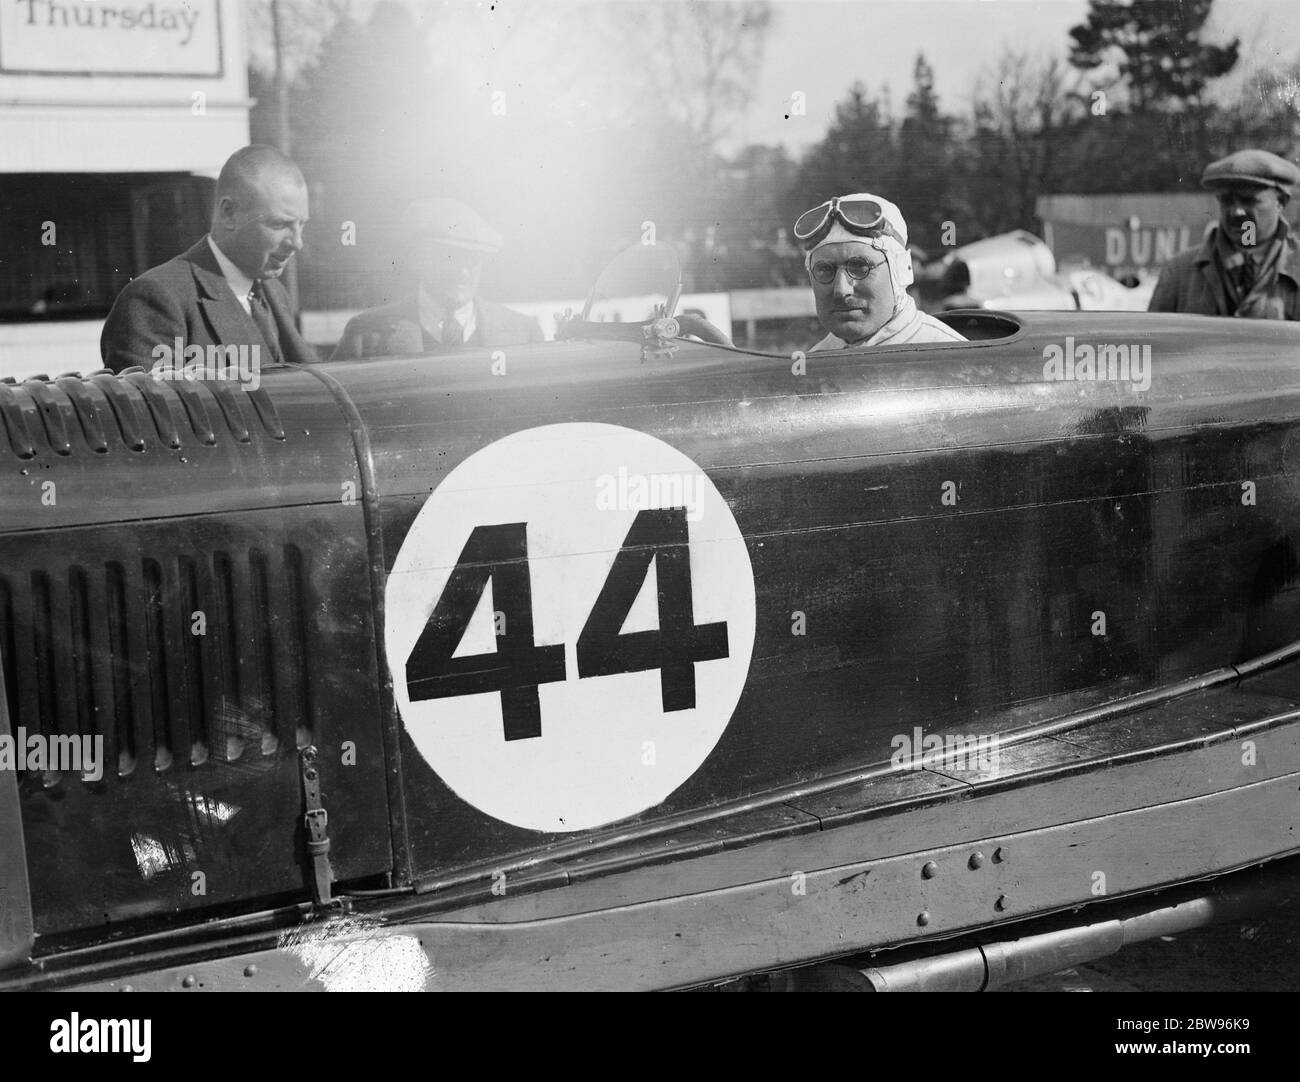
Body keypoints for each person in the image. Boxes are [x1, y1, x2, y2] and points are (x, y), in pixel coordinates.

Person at [100, 145, 316, 373]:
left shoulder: (275, 293)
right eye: (280, 224)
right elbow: (152, 408)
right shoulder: (156, 301)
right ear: (228, 213)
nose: (297, 242)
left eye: (301, 224)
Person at [331, 198, 542, 359]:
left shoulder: (522, 332)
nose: (462, 272)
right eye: (449, 258)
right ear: (417, 259)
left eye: (472, 259)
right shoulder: (366, 335)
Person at [794, 192, 966, 351]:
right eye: (824, 270)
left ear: (901, 270)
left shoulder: (952, 357)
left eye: (860, 267)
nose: (841, 290)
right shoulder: (814, 363)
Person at [1148, 148, 1300, 320]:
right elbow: (1154, 340)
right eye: (1226, 201)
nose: (1236, 212)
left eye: (1248, 200)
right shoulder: (1179, 271)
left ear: (1280, 203)